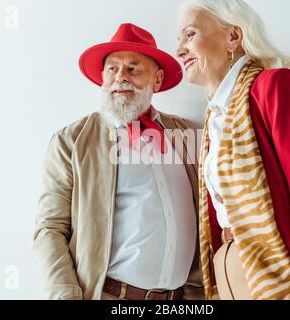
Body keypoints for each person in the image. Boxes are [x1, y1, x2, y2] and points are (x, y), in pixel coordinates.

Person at [176, 0, 290, 300]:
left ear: (233, 37)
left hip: (288, 277)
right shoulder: (214, 116)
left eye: (190, 35)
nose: (180, 50)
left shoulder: (275, 86)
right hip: (233, 282)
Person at [34, 23, 203, 300]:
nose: (120, 77)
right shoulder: (71, 141)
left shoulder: (187, 135)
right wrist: (64, 295)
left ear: (157, 80)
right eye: (112, 68)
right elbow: (50, 228)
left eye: (133, 68)